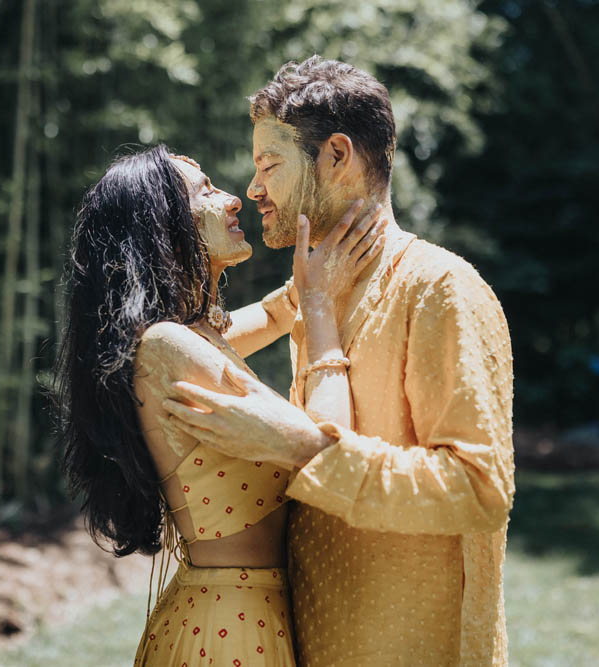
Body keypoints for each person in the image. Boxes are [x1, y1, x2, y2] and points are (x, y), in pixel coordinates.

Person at [161, 57, 516, 666]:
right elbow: (222, 333)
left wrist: (301, 448)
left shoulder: (439, 288)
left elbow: (479, 491)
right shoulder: (316, 293)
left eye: (268, 164)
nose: (253, 189)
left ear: (336, 156)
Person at [51, 144, 384, 666]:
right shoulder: (168, 348)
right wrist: (319, 308)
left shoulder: (192, 335)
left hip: (237, 610)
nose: (234, 198)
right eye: (205, 191)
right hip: (229, 630)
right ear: (162, 225)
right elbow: (326, 448)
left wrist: (318, 272)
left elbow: (272, 317)